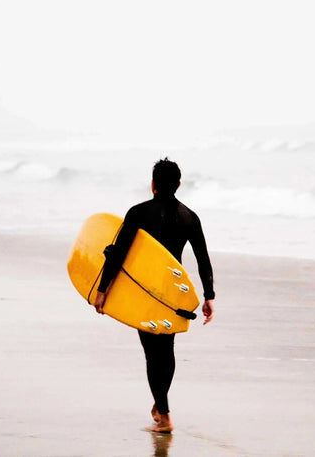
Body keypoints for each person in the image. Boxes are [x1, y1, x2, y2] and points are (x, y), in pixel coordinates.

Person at [94, 158, 215, 433]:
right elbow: (202, 260)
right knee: (167, 350)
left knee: (152, 353)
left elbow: (118, 252)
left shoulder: (138, 213)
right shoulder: (190, 217)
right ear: (179, 185)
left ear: (153, 184)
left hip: (144, 291)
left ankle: (164, 415)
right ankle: (160, 406)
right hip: (172, 292)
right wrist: (209, 296)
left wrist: (102, 289)